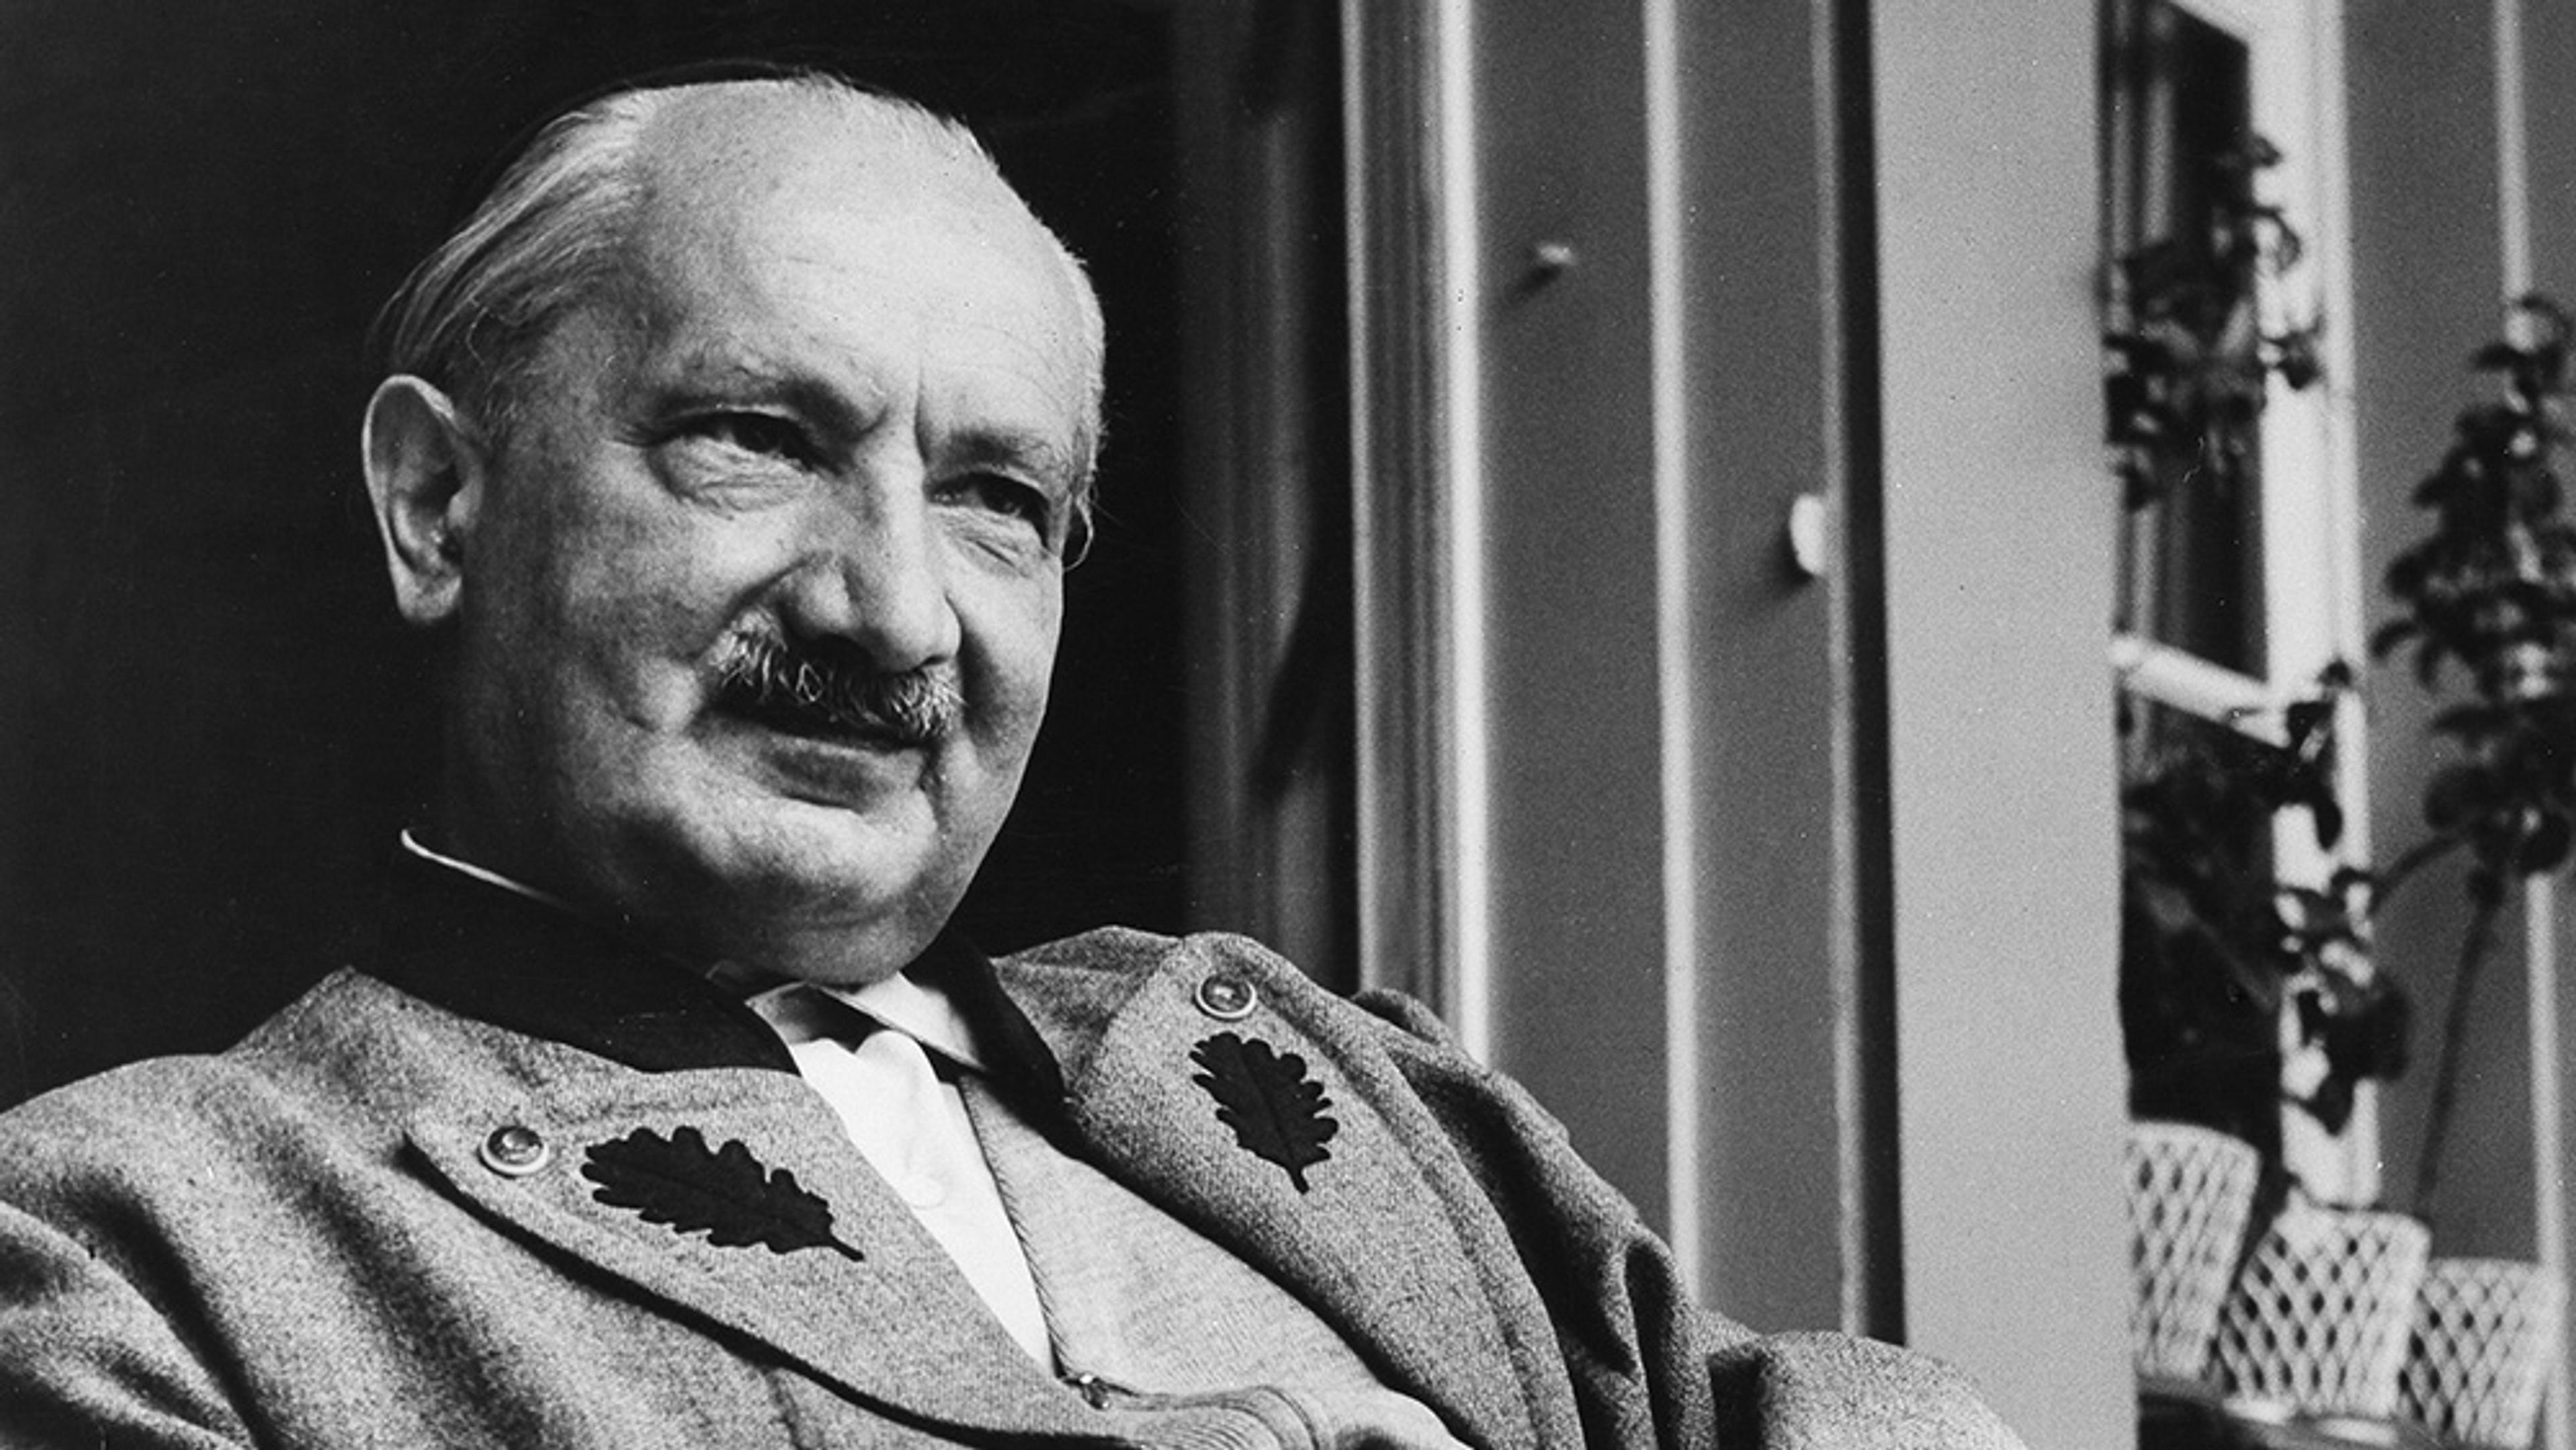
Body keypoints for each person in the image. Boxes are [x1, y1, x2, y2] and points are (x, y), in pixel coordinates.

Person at [0, 73, 2023, 1448]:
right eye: (761, 439)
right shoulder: (144, 1243)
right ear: (442, 507)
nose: (893, 612)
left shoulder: (1333, 1082)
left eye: (993, 497)